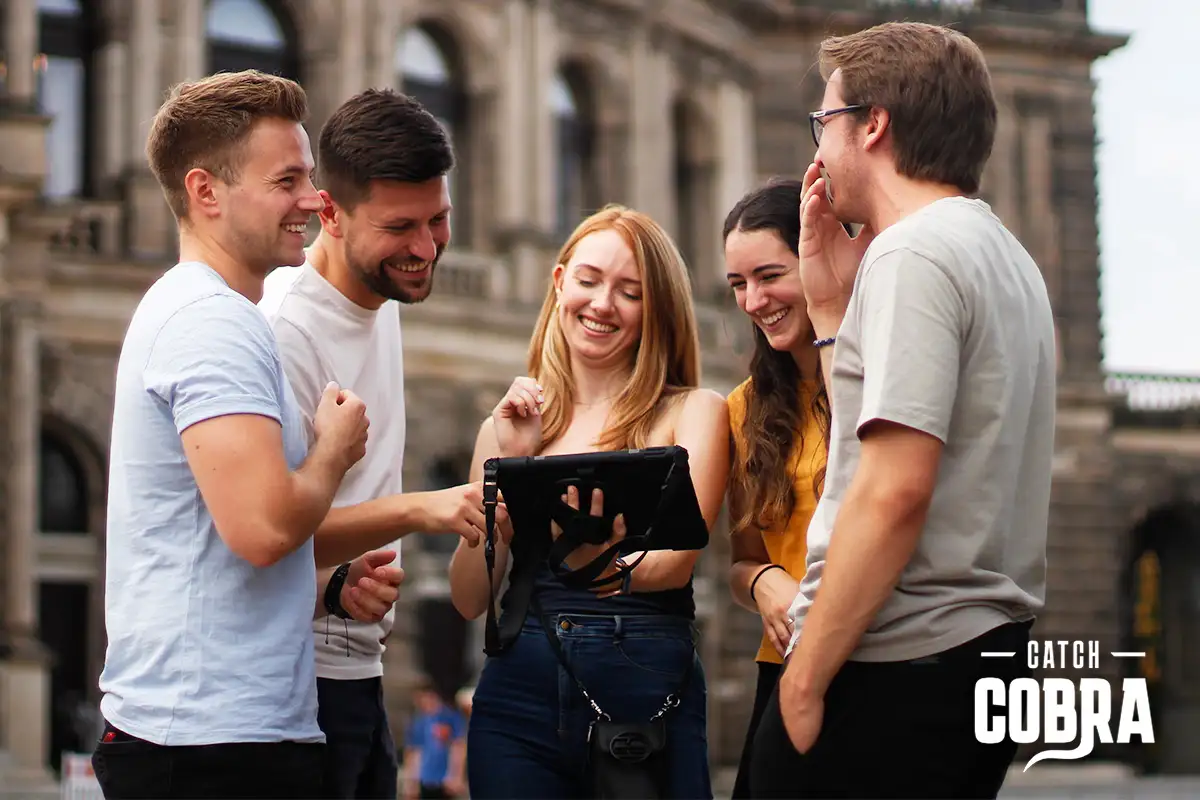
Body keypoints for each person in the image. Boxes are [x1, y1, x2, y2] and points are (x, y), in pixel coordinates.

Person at [750, 22, 1056, 799]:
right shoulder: (1006, 257)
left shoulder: (911, 254)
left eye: (825, 124)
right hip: (976, 655)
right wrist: (831, 313)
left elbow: (892, 493)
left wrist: (804, 676)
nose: (817, 155)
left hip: (890, 662)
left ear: (873, 124)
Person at [93, 70, 405, 799]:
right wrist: (334, 447)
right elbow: (264, 529)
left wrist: (326, 585)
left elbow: (226, 539)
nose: (311, 201)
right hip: (213, 741)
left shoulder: (201, 310)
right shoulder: (214, 323)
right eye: (287, 180)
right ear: (207, 192)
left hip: (208, 731)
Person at [258, 87, 504, 799]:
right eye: (402, 226)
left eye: (439, 219)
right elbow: (260, 532)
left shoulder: (383, 297)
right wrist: (419, 511)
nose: (426, 248)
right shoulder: (283, 333)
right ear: (327, 213)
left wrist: (342, 582)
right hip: (292, 689)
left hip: (359, 677)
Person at [447, 206, 730, 798]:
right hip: (517, 698)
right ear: (559, 283)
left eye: (630, 292)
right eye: (589, 280)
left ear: (656, 310)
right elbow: (471, 597)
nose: (602, 304)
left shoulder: (694, 412)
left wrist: (585, 554)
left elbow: (673, 564)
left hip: (644, 694)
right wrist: (512, 479)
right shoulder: (499, 428)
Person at [721, 179, 830, 800]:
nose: (754, 301)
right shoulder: (743, 410)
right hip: (783, 667)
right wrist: (764, 583)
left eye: (769, 276)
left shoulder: (878, 381)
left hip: (882, 662)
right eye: (739, 284)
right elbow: (742, 564)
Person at [402, 683, 468, 799]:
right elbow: (414, 752)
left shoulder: (450, 717)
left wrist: (456, 775)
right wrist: (411, 782)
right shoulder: (419, 722)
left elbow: (458, 746)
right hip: (425, 778)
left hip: (444, 779)